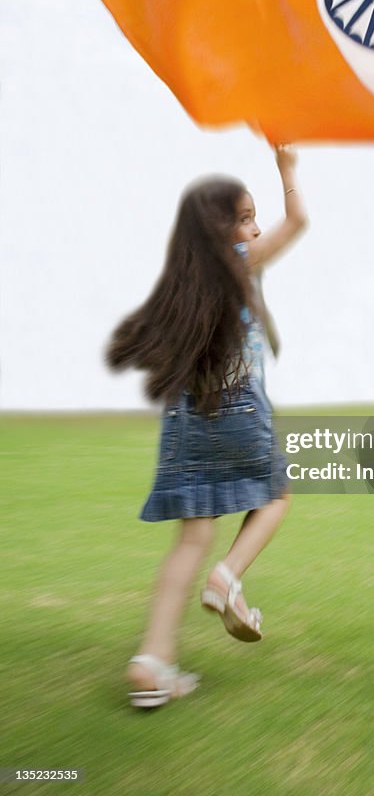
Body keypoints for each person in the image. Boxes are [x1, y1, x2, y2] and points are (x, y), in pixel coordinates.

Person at [107, 146, 308, 709]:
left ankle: (152, 661)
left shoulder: (179, 286)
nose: (255, 227)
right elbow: (298, 223)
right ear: (222, 230)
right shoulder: (242, 262)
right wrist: (287, 169)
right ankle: (227, 577)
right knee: (276, 497)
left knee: (190, 537)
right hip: (241, 415)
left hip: (188, 426)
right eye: (245, 218)